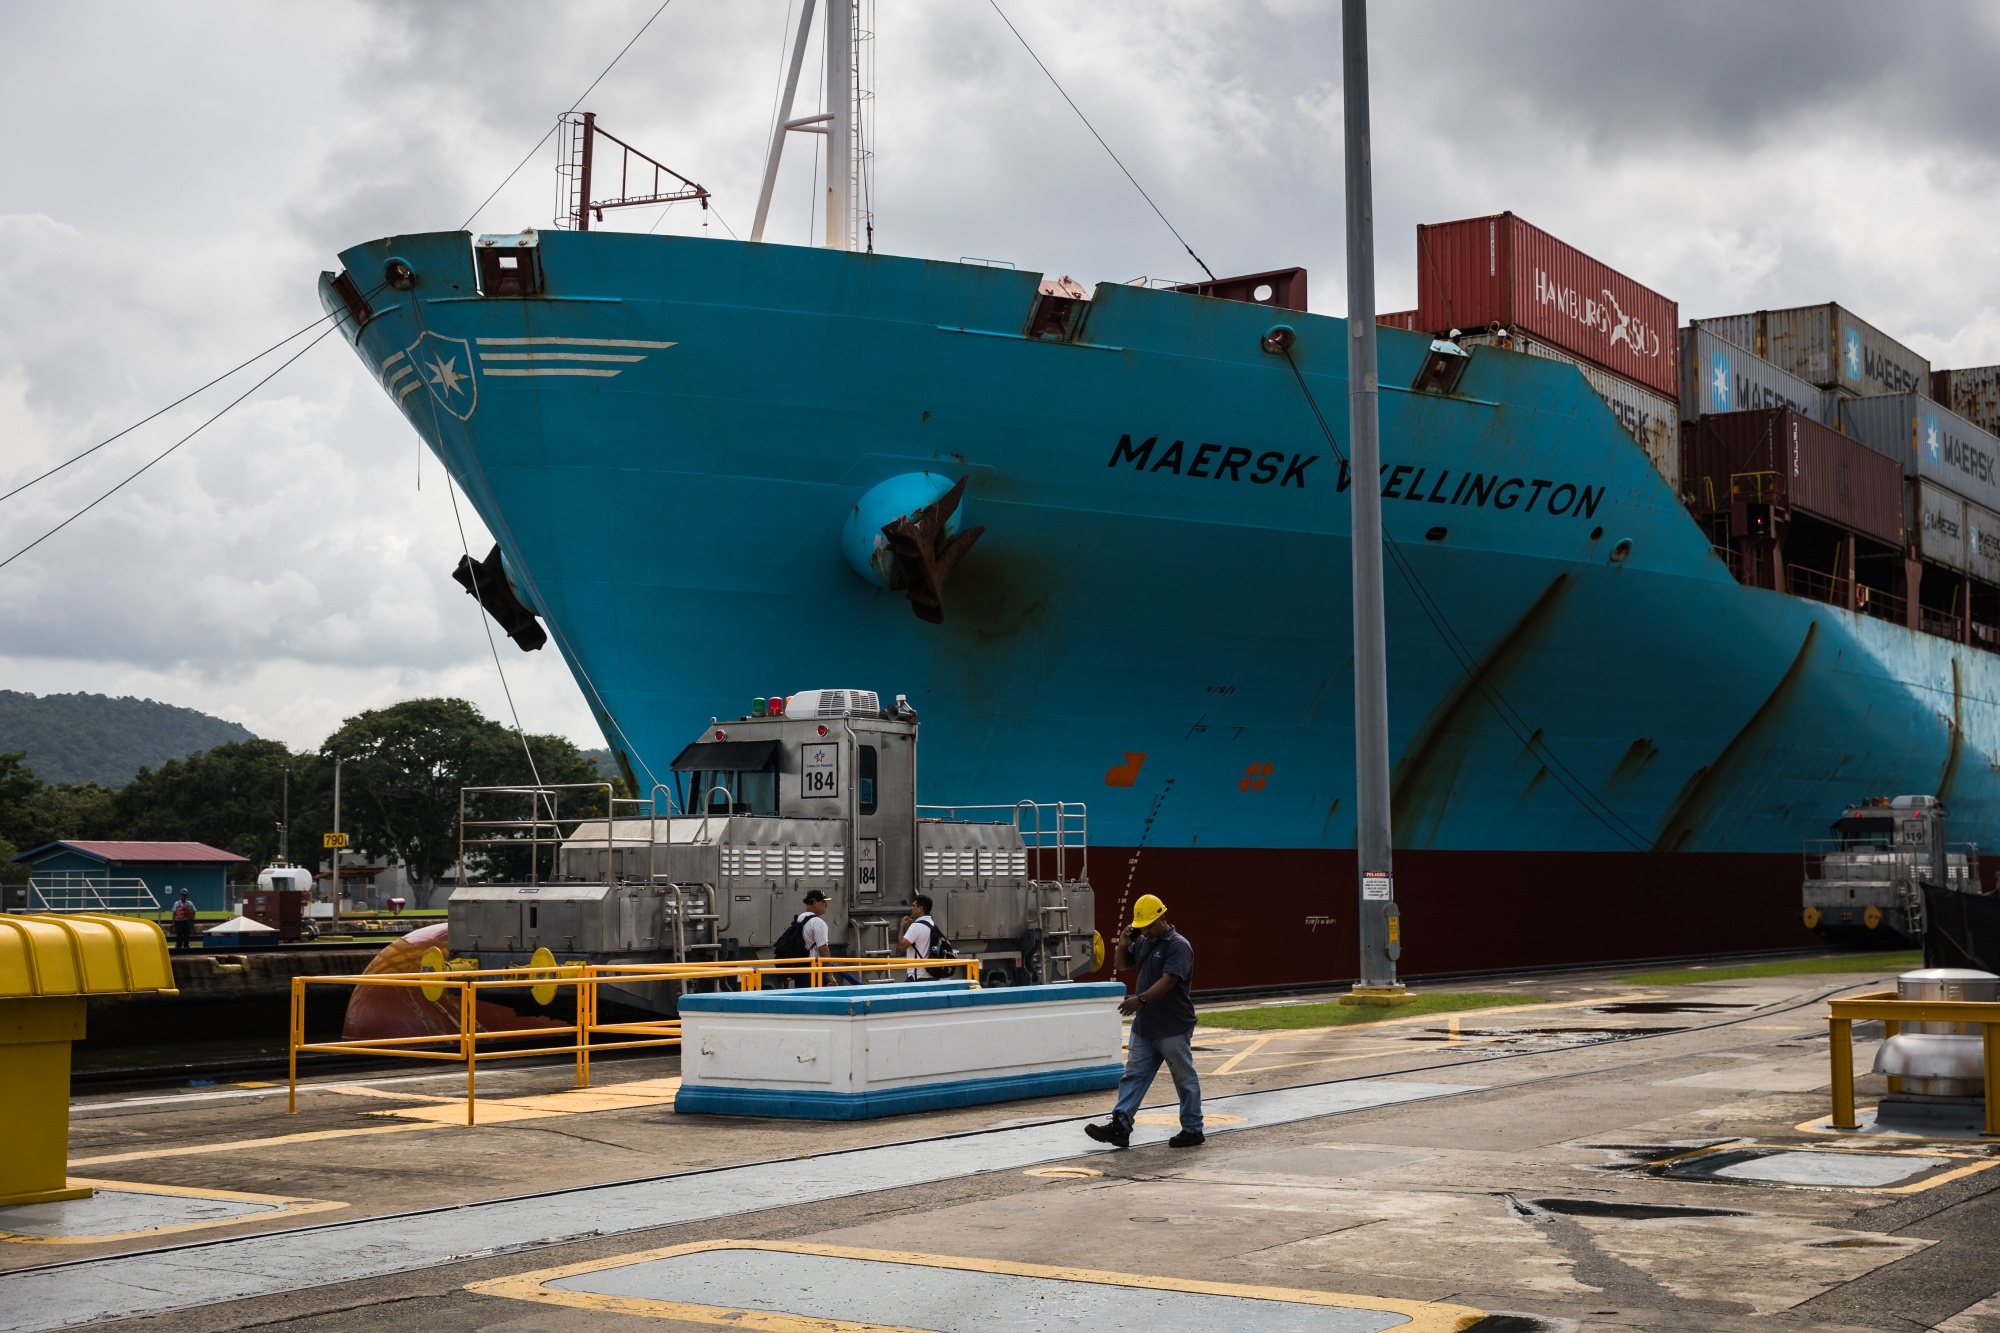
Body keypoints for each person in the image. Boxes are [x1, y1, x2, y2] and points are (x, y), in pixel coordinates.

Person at [1085, 893, 1203, 1149]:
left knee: (1183, 1078)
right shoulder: (1146, 942)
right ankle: (1120, 1126)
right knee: (1133, 1075)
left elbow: (1169, 980)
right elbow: (1122, 965)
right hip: (1145, 1026)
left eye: (1149, 926)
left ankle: (1193, 1129)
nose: (1146, 932)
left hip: (1172, 1025)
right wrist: (1123, 944)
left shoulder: (1177, 945)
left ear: (1162, 917)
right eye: (1142, 927)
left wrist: (1140, 1000)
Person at [899, 894, 938, 980]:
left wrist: (902, 926)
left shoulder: (917, 926)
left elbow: (902, 946)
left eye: (913, 906)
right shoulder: (932, 924)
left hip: (917, 976)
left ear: (920, 909)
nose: (911, 908)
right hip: (931, 974)